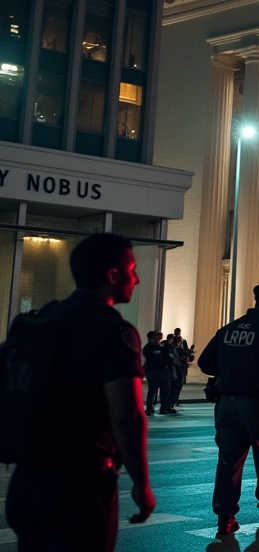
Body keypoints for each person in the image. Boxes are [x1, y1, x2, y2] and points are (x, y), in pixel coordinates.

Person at [3, 233, 154, 550]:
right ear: (113, 276)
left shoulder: (44, 318)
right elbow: (126, 414)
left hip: (26, 480)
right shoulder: (113, 330)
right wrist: (141, 483)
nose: (137, 279)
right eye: (132, 270)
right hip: (78, 483)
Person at [198, 283, 259, 534]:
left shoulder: (227, 329)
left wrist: (230, 368)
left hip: (226, 404)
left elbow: (205, 362)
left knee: (229, 461)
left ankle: (225, 515)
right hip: (258, 405)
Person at [142, 331, 174, 416]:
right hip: (153, 371)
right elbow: (152, 358)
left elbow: (168, 356)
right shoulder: (148, 347)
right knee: (152, 390)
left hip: (163, 370)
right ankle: (149, 408)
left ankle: (163, 408)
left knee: (165, 389)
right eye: (155, 337)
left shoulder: (161, 347)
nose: (156, 339)